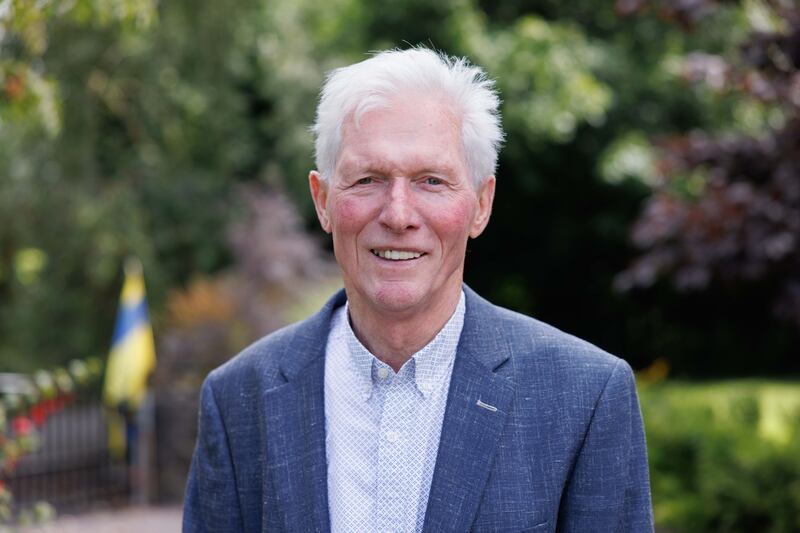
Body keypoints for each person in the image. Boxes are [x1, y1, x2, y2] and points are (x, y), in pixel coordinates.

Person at [183, 47, 654, 533]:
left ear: (481, 205)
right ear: (322, 201)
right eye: (368, 179)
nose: (398, 214)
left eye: (431, 181)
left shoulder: (584, 397)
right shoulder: (238, 399)